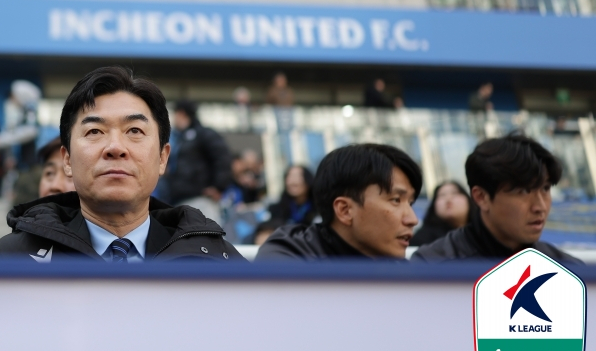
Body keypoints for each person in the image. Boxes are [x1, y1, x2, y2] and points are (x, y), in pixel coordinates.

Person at [0, 66, 242, 262]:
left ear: (163, 157)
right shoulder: (2, 265)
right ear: (67, 159)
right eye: (95, 132)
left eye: (134, 131)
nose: (115, 147)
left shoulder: (221, 267)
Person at [412, 134, 579, 263]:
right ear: (481, 197)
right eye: (523, 191)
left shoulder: (567, 270)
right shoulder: (431, 267)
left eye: (545, 188)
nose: (540, 206)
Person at [256, 144, 421, 260]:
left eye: (410, 203)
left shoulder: (401, 273)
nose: (412, 219)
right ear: (345, 210)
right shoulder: (286, 260)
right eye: (396, 200)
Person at [162, 100, 232, 209]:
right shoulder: (180, 139)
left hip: (200, 198)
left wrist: (218, 187)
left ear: (182, 113)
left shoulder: (204, 134)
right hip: (178, 199)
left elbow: (222, 158)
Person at [410, 181, 473, 247]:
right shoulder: (422, 240)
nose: (448, 199)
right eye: (442, 195)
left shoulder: (480, 234)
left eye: (455, 193)